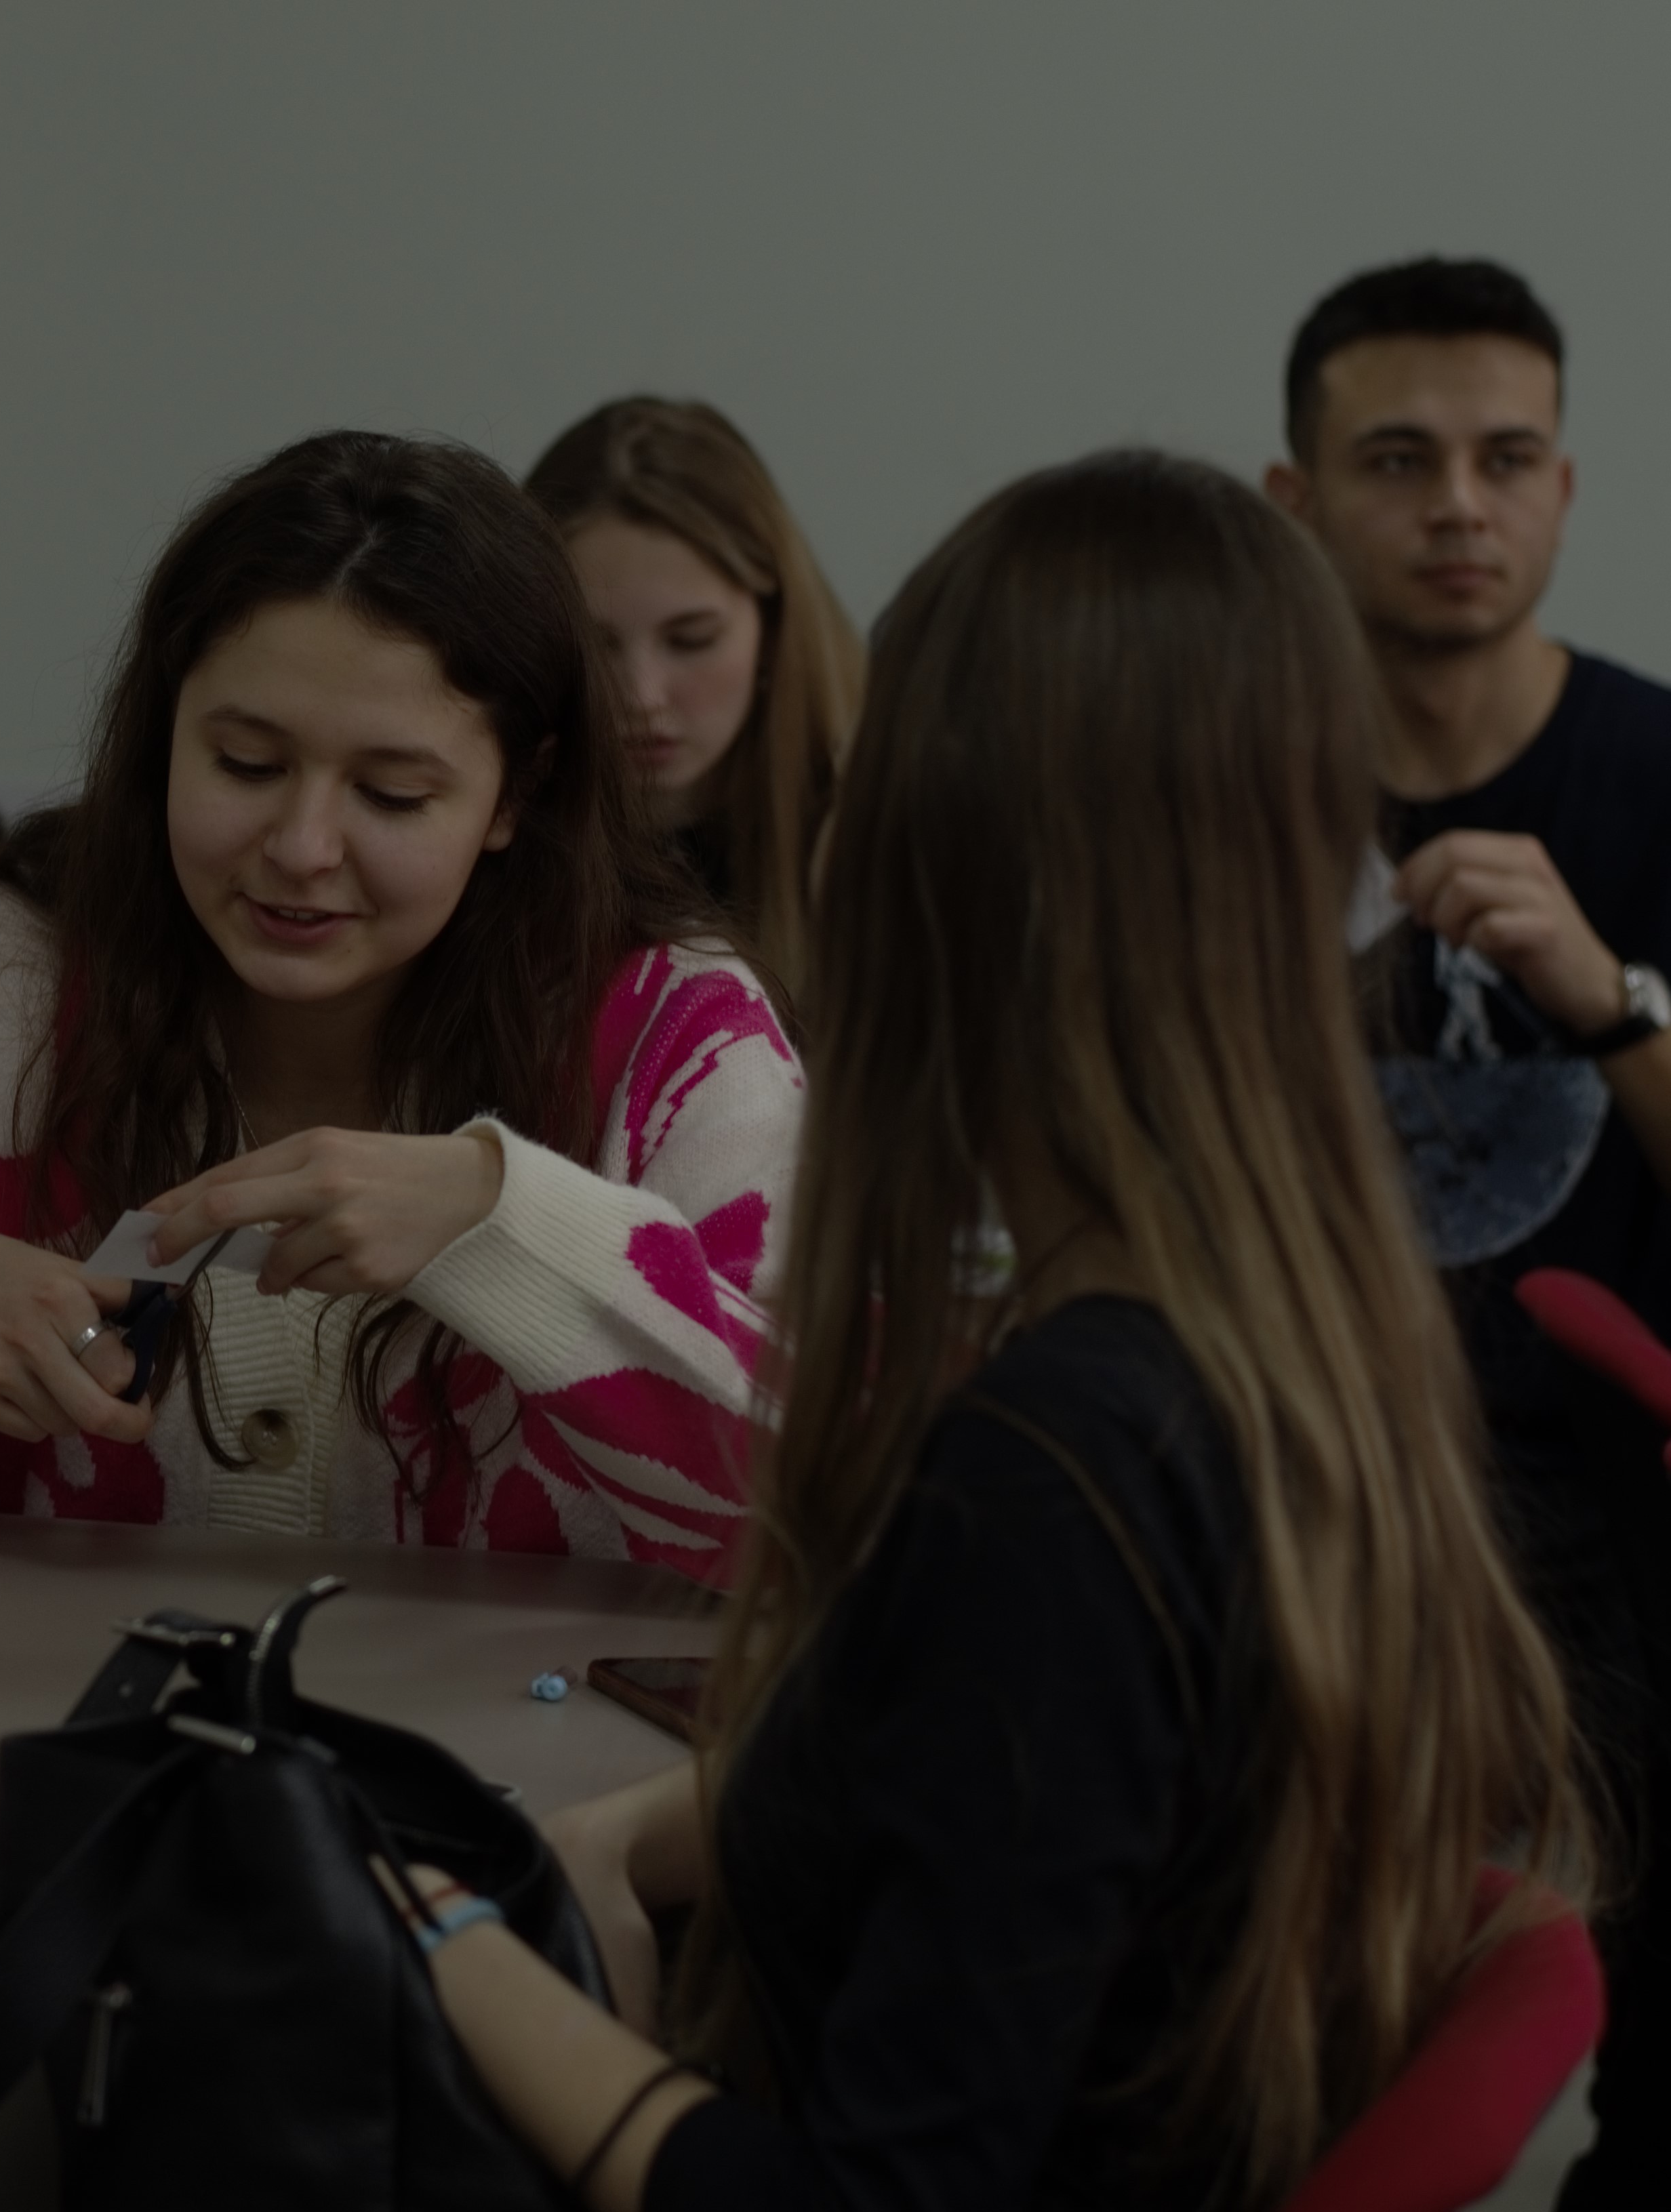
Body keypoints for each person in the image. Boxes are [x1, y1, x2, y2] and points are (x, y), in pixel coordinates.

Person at [392, 452, 1593, 2209]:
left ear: (950, 878)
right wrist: (635, 1831)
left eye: (865, 786)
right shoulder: (1294, 1354)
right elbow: (1008, 1779)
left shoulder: (1054, 1474)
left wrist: (440, 1940)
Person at [0, 432, 800, 1579]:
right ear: (162, 737)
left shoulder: (671, 1026)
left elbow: (820, 1503)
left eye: (392, 793)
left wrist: (504, 1225)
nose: (300, 847)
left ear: (514, 797)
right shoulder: (6, 970)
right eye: (244, 764)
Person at [1262, 254, 1671, 2208]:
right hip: (1303, 1489)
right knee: (1282, 2033)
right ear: (1296, 497)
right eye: (1399, 459)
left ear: (1565, 490)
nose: (1458, 506)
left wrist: (1610, 998)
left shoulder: (1655, 772)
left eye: (1507, 460)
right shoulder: (1229, 790)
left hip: (1616, 1496)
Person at [525, 399, 860, 1007]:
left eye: (692, 640)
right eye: (596, 649)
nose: (643, 697)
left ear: (774, 631)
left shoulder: (862, 832)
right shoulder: (492, 833)